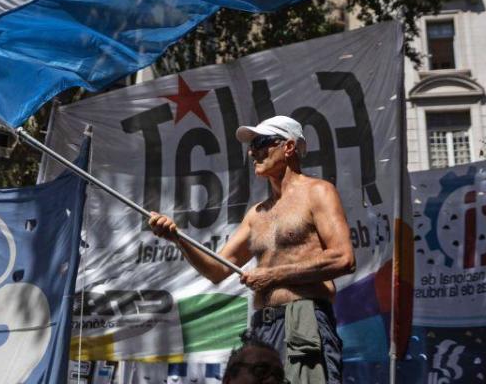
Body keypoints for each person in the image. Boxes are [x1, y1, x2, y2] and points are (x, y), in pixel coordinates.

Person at [149, 115, 355, 383]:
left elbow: (343, 258)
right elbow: (217, 269)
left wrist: (274, 275)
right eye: (251, 145)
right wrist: (178, 238)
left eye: (261, 142)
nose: (252, 151)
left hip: (303, 320)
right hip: (262, 329)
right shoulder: (256, 214)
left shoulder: (318, 192)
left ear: (289, 147)